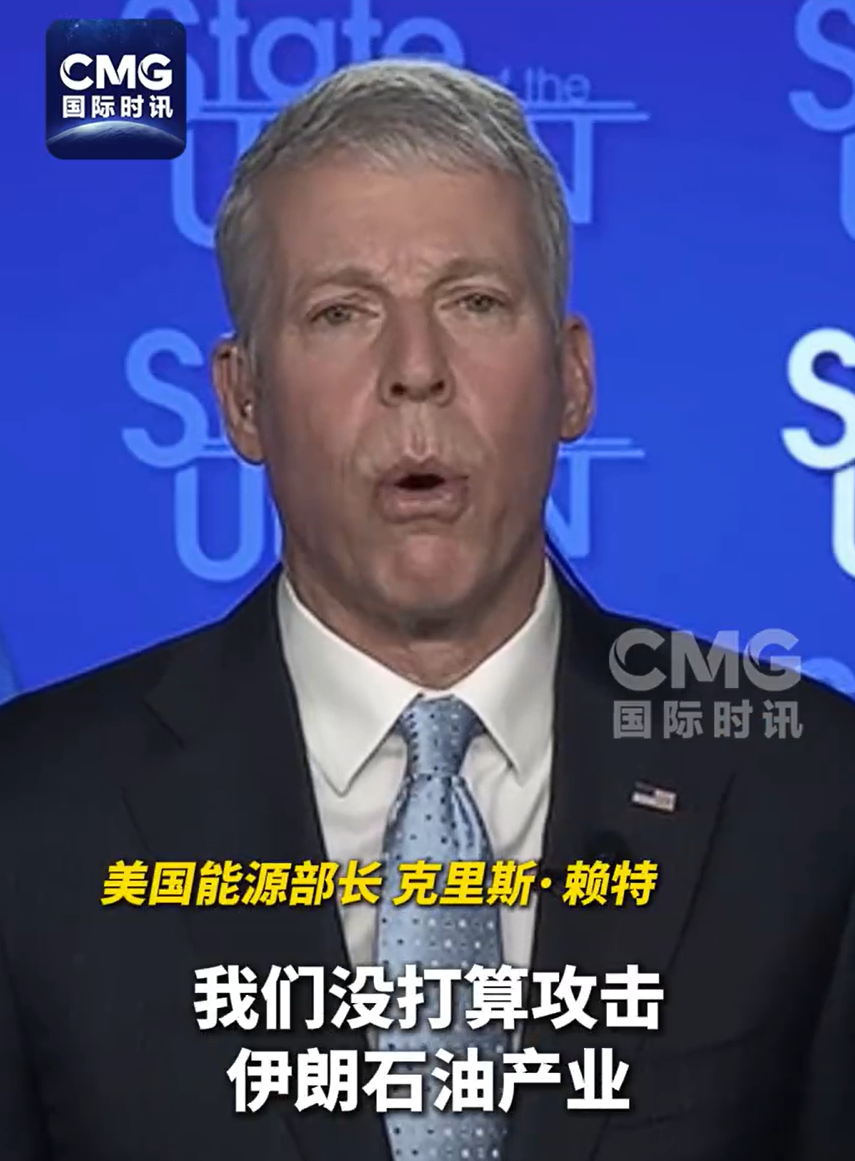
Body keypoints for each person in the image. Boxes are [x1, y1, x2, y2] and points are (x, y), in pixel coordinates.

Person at [0, 59, 853, 1161]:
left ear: (573, 377)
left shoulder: (809, 791)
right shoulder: (34, 813)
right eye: (341, 312)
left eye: (475, 303)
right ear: (242, 400)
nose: (416, 369)